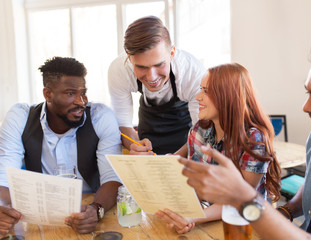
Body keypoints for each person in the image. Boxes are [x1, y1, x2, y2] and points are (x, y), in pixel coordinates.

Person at [178, 35, 311, 239]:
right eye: (308, 93)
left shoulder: (254, 138)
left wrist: (244, 197)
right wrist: (287, 211)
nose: (306, 107)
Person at [0, 57, 122, 235]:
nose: (81, 101)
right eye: (71, 93)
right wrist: (2, 209)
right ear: (48, 94)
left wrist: (96, 210)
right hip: (38, 216)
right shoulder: (20, 117)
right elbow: (4, 177)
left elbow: (112, 178)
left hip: (91, 207)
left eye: (83, 92)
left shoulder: (100, 117)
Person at [154, 63, 281, 234]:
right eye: (201, 89)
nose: (198, 97)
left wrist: (193, 217)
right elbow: (194, 185)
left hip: (244, 225)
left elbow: (240, 198)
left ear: (228, 96)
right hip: (205, 219)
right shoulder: (199, 130)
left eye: (206, 91)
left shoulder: (254, 139)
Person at [108, 16, 206, 155]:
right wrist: (134, 145)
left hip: (186, 131)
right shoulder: (119, 69)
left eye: (159, 65)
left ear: (172, 53)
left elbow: (202, 129)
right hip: (148, 128)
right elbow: (122, 122)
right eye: (142, 67)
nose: (151, 77)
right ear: (129, 59)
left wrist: (174, 159)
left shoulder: (191, 72)